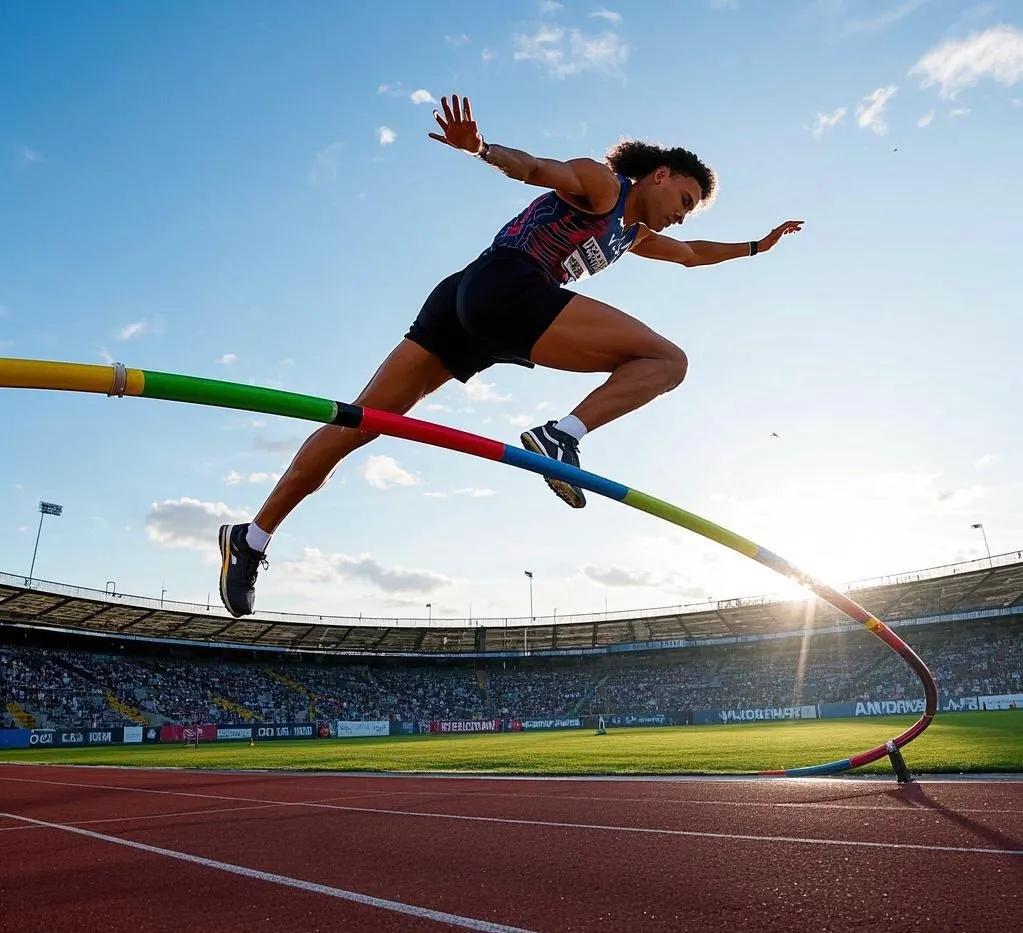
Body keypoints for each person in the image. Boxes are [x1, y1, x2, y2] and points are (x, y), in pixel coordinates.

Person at [219, 94, 802, 617]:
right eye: (684, 199)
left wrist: (757, 246)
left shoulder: (636, 234)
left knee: (360, 422)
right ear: (660, 174)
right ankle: (561, 434)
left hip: (467, 303)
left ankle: (252, 537)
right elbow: (538, 169)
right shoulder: (605, 185)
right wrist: (482, 149)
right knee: (667, 362)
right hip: (508, 286)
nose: (682, 213)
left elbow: (693, 253)